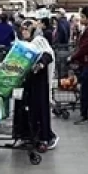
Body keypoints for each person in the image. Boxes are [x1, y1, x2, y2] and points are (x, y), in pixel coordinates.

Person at [13, 19, 58, 150]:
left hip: (38, 83)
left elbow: (48, 55)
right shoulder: (20, 43)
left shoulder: (39, 41)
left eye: (27, 29)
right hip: (23, 82)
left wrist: (40, 64)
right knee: (22, 109)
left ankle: (44, 137)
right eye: (23, 29)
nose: (24, 32)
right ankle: (23, 135)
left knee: (38, 110)